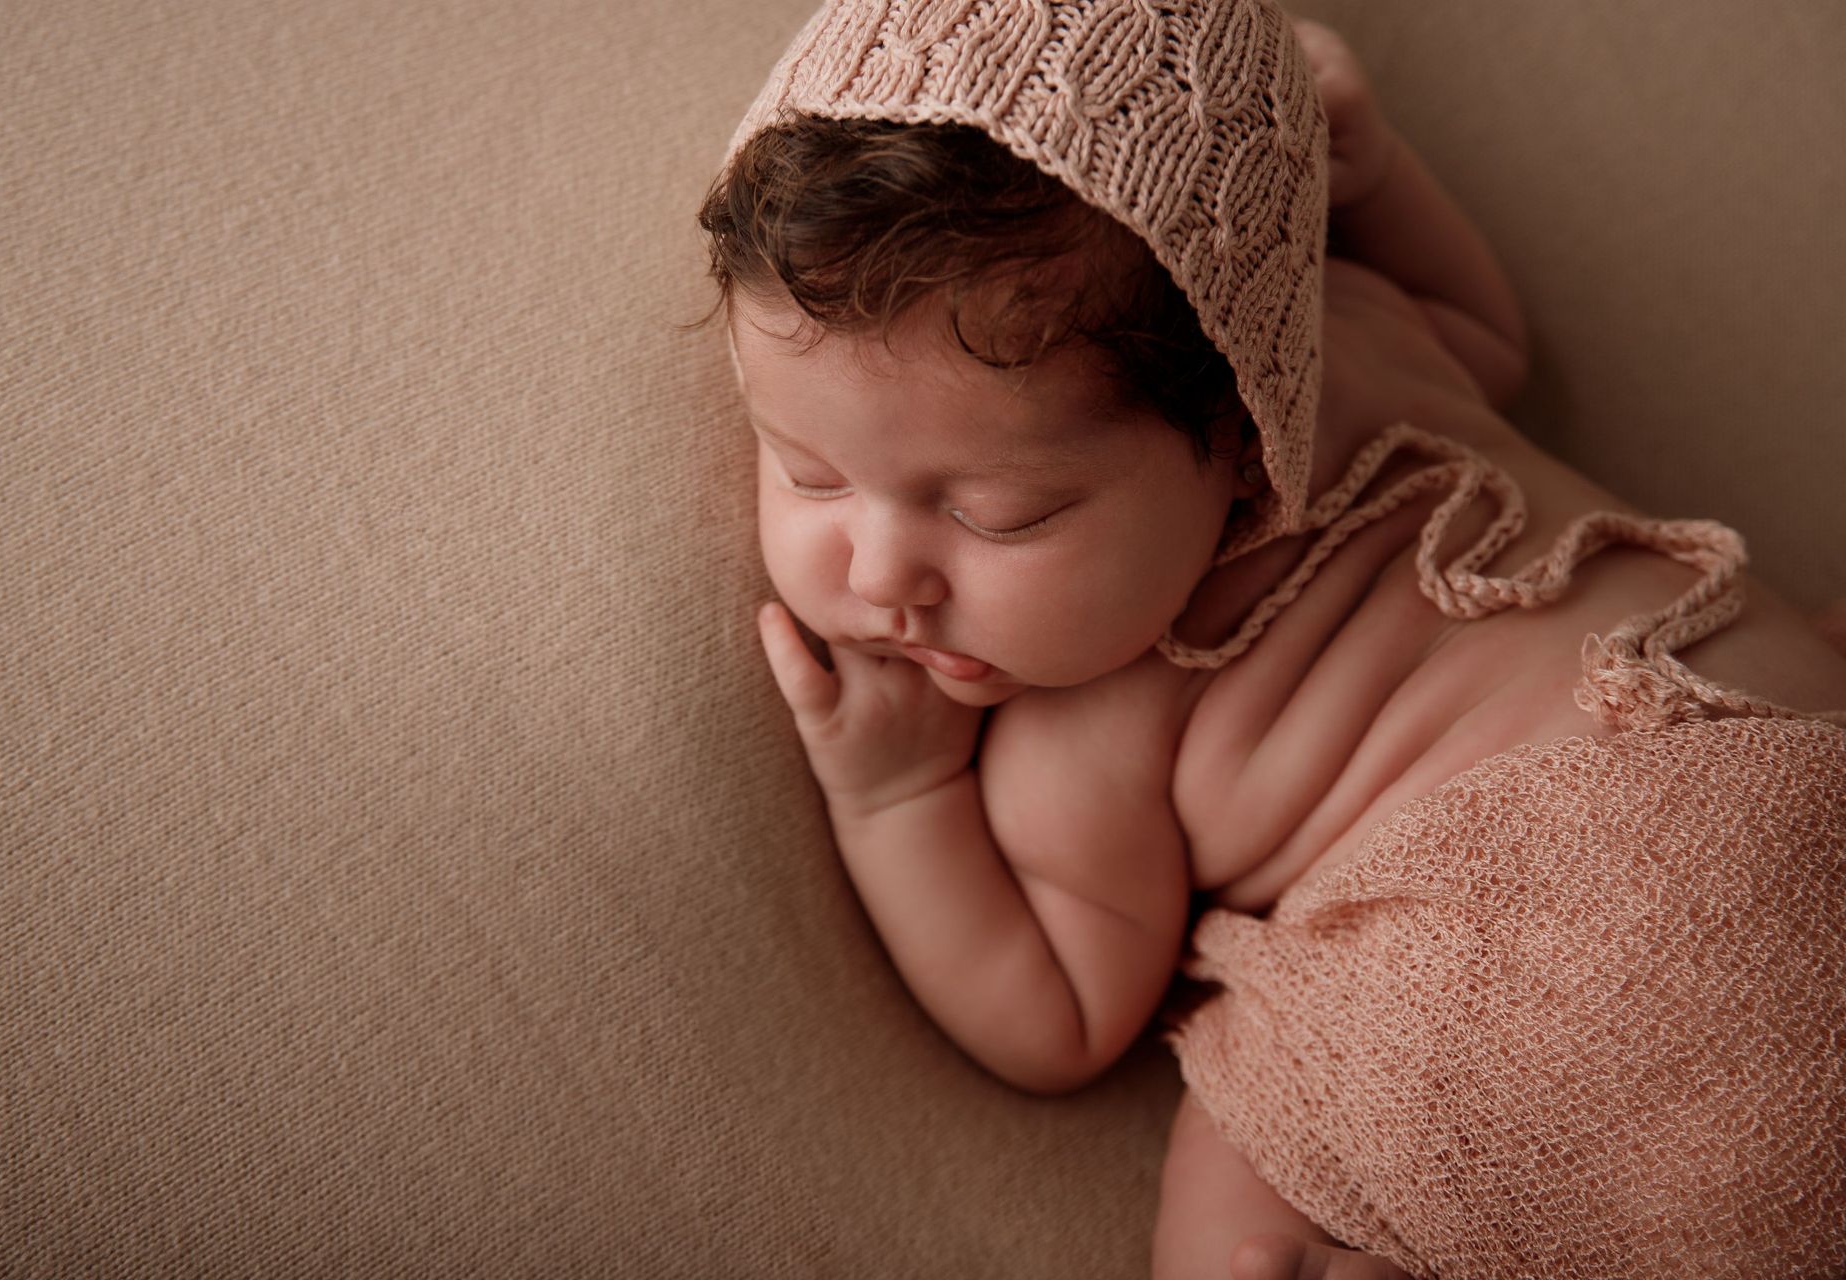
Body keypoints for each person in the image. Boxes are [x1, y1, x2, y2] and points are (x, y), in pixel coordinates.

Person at [694, 2, 1846, 1276]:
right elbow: (1486, 332)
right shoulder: (1367, 330)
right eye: (806, 473)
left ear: (1247, 454)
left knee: (1245, 1128)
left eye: (998, 513)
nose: (881, 573)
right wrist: (1381, 172)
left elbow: (1061, 1018)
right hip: (1786, 766)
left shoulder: (1091, 721)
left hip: (1552, 962)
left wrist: (898, 791)